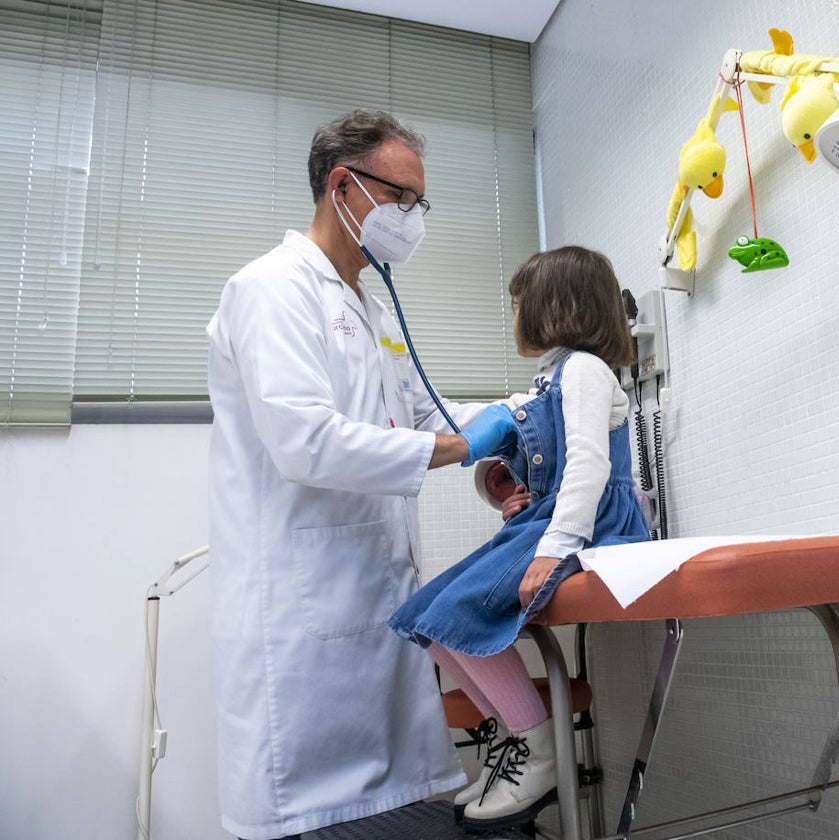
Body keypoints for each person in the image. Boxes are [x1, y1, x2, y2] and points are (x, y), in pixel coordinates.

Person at [206, 110, 518, 840]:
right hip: (301, 638)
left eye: (419, 203)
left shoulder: (369, 308)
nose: (414, 218)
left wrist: (521, 416)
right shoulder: (271, 289)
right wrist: (462, 450)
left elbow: (420, 418)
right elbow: (304, 442)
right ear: (344, 186)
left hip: (373, 620)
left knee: (409, 815)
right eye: (404, 198)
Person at [388, 245, 652, 832]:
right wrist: (501, 489)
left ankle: (537, 748)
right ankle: (518, 737)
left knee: (450, 609)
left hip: (592, 527)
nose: (513, 317)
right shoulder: (549, 379)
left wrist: (557, 545)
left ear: (552, 307)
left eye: (517, 305)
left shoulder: (584, 370)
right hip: (554, 518)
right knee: (422, 617)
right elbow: (526, 461)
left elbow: (588, 465)